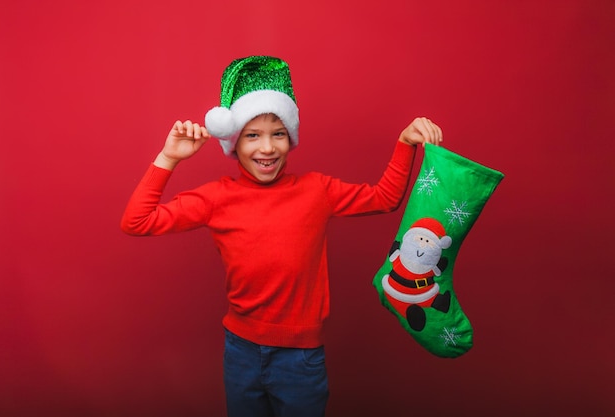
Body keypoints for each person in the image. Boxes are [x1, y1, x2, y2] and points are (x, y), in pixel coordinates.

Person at [120, 55, 443, 417]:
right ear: (234, 143)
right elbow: (138, 221)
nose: (267, 148)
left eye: (278, 134)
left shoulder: (317, 190)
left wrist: (404, 142)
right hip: (240, 351)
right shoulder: (215, 198)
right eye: (252, 136)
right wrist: (169, 157)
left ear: (291, 137)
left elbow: (385, 198)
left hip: (300, 358)